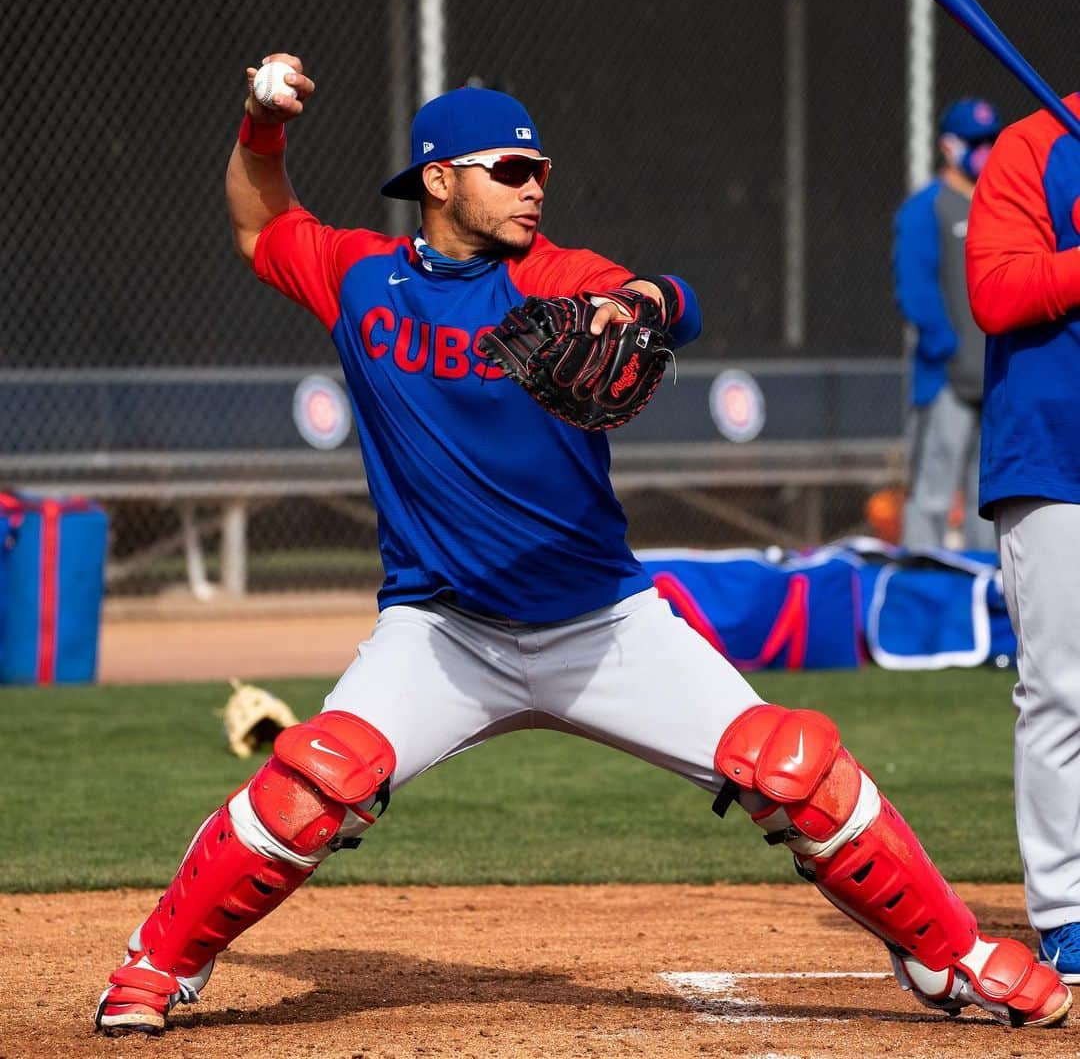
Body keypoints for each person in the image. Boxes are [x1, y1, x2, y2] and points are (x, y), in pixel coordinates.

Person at [94, 52, 1071, 1036]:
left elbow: (672, 300)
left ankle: (954, 961)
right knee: (317, 780)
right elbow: (261, 222)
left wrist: (638, 304)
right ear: (439, 180)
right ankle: (157, 962)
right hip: (444, 634)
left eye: (540, 170)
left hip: (601, 624)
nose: (533, 187)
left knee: (795, 767)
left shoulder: (556, 278)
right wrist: (262, 127)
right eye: (508, 170)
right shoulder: (362, 279)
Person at [966, 90, 1080, 987]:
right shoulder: (1035, 143)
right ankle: (1067, 913)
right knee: (1064, 691)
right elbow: (996, 292)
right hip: (1056, 454)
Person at [893, 98, 1001, 553]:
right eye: (975, 142)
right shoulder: (927, 208)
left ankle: (984, 586)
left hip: (996, 379)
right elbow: (915, 291)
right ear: (948, 145)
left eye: (992, 140)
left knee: (989, 496)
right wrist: (950, 351)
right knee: (933, 493)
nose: (985, 151)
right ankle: (921, 586)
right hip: (947, 381)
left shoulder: (1000, 207)